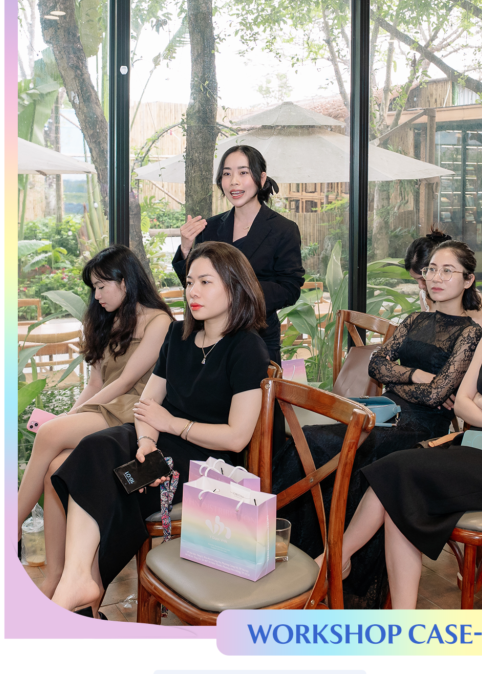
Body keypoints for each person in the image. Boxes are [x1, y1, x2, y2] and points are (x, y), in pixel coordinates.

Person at [328, 240, 482, 609]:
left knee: (398, 473)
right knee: (397, 479)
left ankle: (336, 559)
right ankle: (392, 608)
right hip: (475, 450)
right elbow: (463, 404)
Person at [47, 242, 270, 615]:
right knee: (95, 449)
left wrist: (172, 425)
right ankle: (78, 580)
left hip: (205, 465)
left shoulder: (248, 348)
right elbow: (146, 406)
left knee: (105, 476)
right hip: (159, 449)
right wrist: (147, 443)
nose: (193, 291)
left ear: (235, 287)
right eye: (189, 282)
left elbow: (236, 437)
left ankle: (84, 587)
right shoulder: (179, 336)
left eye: (205, 282)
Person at [271, 241, 482, 607]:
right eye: (432, 269)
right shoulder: (414, 320)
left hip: (422, 429)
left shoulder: (470, 333)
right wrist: (416, 375)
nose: (436, 277)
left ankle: (338, 559)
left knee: (341, 446)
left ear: (468, 280)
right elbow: (376, 364)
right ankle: (296, 550)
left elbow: (438, 394)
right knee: (312, 439)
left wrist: (404, 381)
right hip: (385, 412)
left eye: (448, 271)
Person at [19, 246, 172, 587]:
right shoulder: (107, 320)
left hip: (136, 412)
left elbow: (127, 381)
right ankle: (56, 578)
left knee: (48, 434)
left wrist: (65, 422)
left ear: (125, 282)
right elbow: (96, 384)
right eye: (94, 288)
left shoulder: (159, 321)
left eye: (102, 286)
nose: (97, 295)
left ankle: (10, 526)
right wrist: (70, 416)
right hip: (108, 405)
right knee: (56, 470)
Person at [174, 145, 304, 364]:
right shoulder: (210, 228)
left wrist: (235, 294)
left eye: (243, 172)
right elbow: (194, 284)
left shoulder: (284, 229)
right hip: (211, 337)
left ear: (261, 178)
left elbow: (290, 288)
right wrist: (186, 249)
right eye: (227, 174)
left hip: (258, 337)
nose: (234, 181)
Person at [404, 227, 482, 329]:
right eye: (416, 279)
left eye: (446, 271)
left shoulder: (471, 301)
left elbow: (478, 337)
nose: (420, 286)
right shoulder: (424, 295)